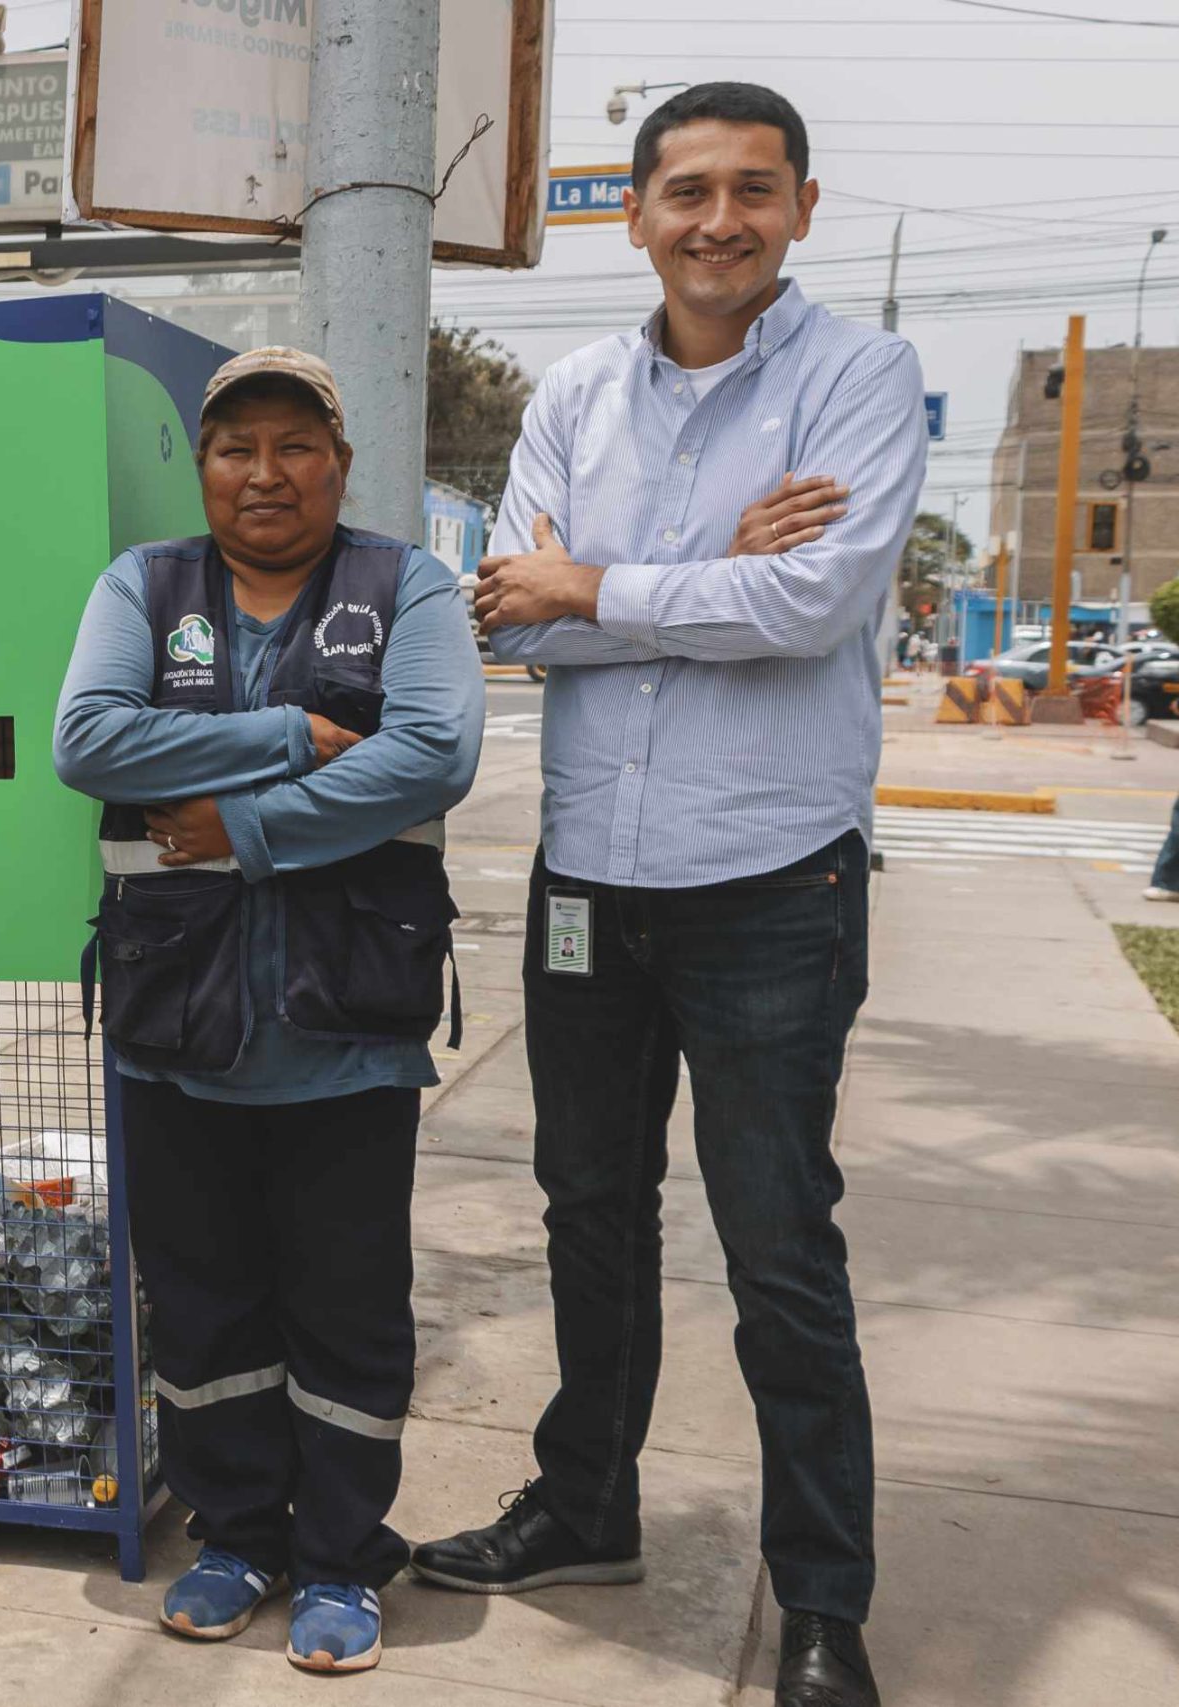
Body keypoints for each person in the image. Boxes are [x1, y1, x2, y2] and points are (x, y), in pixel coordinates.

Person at [408, 84, 925, 1707]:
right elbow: (511, 612)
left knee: (779, 1244)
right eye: (686, 190)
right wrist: (711, 570)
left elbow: (813, 600)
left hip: (771, 881)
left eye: (753, 190)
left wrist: (610, 578)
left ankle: (823, 1598)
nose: (719, 220)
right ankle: (588, 1503)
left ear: (802, 208)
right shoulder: (574, 394)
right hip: (589, 879)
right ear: (636, 214)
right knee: (588, 1211)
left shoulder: (860, 378)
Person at [54, 347, 483, 1675]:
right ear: (203, 465)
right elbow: (89, 739)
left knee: (346, 1309)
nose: (265, 472)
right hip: (175, 1021)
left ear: (340, 465)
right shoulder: (146, 586)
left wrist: (237, 827)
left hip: (345, 1031)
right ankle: (236, 1533)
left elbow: (434, 750)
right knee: (200, 1302)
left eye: (296, 445)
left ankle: (343, 1555)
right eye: (236, 447)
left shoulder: (405, 587)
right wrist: (293, 735)